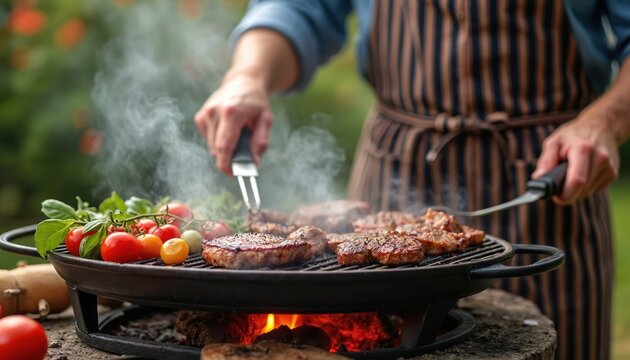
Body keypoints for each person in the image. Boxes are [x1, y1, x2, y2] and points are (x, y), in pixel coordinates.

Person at [194, 1, 630, 359]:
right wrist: (247, 76)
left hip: (549, 173)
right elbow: (299, 7)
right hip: (396, 165)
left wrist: (607, 121)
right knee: (368, 336)